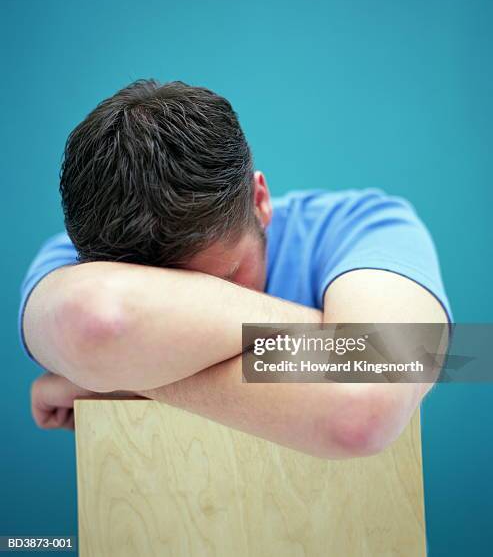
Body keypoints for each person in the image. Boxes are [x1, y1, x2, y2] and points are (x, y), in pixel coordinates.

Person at [19, 80, 452, 459]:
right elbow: (93, 323)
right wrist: (344, 343)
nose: (206, 309)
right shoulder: (70, 262)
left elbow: (361, 408)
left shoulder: (364, 226)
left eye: (223, 281)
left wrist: (119, 375)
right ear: (85, 256)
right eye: (159, 298)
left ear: (259, 200)